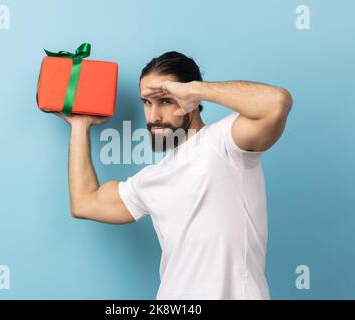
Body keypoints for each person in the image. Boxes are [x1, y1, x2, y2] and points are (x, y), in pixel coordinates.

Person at [56, 51, 293, 299]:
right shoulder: (151, 179)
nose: (154, 116)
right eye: (147, 102)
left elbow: (277, 103)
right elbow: (85, 203)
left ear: (190, 98)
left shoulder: (224, 143)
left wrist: (196, 90)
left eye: (166, 101)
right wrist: (79, 125)